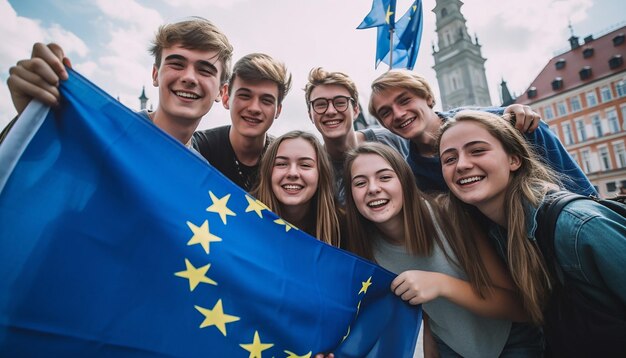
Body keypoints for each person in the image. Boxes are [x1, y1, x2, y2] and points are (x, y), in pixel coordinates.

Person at [438, 110, 626, 355]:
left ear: (514, 160)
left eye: (478, 151)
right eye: (449, 159)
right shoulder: (495, 234)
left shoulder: (576, 226)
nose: (462, 165)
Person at [343, 142, 540, 357]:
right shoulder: (364, 251)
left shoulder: (449, 215)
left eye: (385, 177)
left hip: (511, 340)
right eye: (360, 183)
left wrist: (440, 284)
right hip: (451, 348)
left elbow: (518, 306)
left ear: (405, 181)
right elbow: (428, 316)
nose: (373, 188)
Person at [4, 17, 233, 148]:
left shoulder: (206, 182)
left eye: (205, 70)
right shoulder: (100, 132)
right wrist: (30, 120)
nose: (189, 78)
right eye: (176, 63)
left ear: (221, 91)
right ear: (155, 74)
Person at [368, 69, 597, 196]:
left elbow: (580, 189)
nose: (398, 114)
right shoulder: (413, 175)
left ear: (428, 97)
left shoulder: (511, 123)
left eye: (405, 100)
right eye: (386, 112)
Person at [304, 67, 408, 204]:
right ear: (310, 115)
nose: (330, 111)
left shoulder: (392, 140)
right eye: (320, 104)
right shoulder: (314, 169)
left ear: (356, 109)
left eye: (340, 102)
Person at [193, 53, 292, 191]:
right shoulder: (197, 148)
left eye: (266, 100)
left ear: (278, 110)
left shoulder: (286, 161)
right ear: (226, 97)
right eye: (245, 96)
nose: (254, 108)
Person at [251, 130, 341, 247]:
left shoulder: (342, 226)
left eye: (305, 165)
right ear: (268, 173)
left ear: (321, 176)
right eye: (281, 164)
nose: (292, 173)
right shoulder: (242, 218)